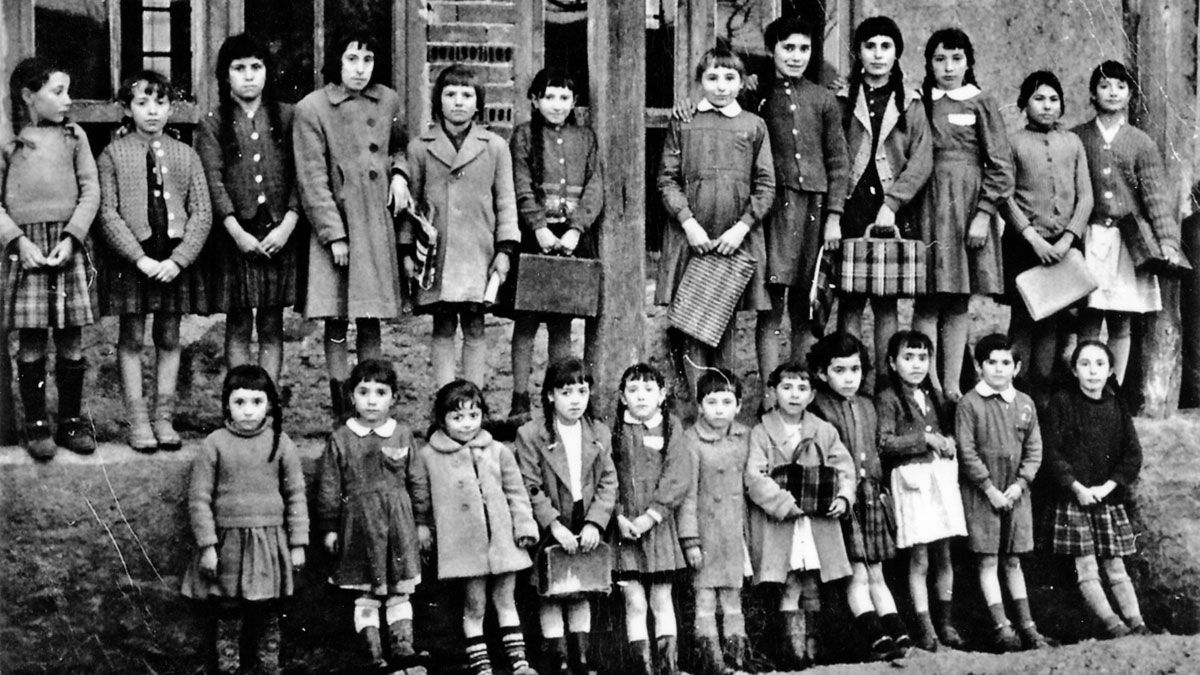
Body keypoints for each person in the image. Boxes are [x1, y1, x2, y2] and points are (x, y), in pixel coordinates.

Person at [294, 31, 411, 420]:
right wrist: (334, 236)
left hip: (375, 222)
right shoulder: (313, 108)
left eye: (367, 60)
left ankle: (371, 402)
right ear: (335, 62)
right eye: (351, 60)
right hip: (339, 227)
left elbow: (399, 146)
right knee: (337, 317)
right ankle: (342, 407)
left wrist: (399, 175)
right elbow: (312, 179)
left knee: (370, 315)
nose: (360, 70)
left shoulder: (389, 100)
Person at [96, 70, 212, 452]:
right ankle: (138, 419)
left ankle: (164, 417)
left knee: (168, 336)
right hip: (135, 259)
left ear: (170, 107)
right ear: (127, 109)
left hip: (172, 257)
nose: (152, 112)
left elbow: (202, 213)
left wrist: (179, 260)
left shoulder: (186, 154)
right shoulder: (113, 154)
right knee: (131, 337)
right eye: (142, 103)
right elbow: (108, 213)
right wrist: (138, 258)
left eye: (160, 103)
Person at [656, 45, 775, 398]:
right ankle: (693, 405)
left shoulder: (754, 125)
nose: (721, 86)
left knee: (724, 322)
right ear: (699, 81)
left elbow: (766, 183)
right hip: (693, 237)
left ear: (742, 83)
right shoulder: (686, 121)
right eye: (712, 78)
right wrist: (688, 223)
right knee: (691, 324)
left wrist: (741, 229)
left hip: (732, 238)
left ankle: (722, 403)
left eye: (729, 78)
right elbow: (666, 179)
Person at [0, 57, 99, 458]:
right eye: (57, 92)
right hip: (27, 250)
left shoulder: (75, 138)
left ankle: (71, 422)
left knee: (72, 337)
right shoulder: (10, 144)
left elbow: (90, 190)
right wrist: (17, 242)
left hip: (66, 246)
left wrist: (73, 237)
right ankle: (36, 423)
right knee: (33, 338)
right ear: (28, 96)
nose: (67, 101)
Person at [181, 365, 307, 674]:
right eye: (239, 402)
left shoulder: (281, 443)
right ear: (227, 404)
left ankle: (268, 666)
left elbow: (296, 496)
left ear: (269, 404)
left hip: (269, 541)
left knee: (268, 608)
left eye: (257, 402)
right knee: (228, 607)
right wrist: (208, 546)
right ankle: (229, 667)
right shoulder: (215, 444)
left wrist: (298, 543)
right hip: (229, 543)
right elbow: (199, 499)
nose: (248, 411)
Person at [912, 28, 1014, 401]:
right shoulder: (921, 101)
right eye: (940, 59)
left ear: (969, 62)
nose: (948, 67)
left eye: (956, 59)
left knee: (956, 298)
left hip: (965, 209)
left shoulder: (980, 101)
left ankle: (952, 386)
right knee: (926, 297)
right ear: (929, 64)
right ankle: (926, 384)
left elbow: (1001, 166)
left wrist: (984, 214)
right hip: (925, 205)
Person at [412, 380, 538, 675]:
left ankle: (519, 662)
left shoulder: (497, 451)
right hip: (464, 546)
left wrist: (523, 525)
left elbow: (516, 492)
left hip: (504, 541)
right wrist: (424, 528)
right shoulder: (429, 457)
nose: (467, 424)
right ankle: (481, 665)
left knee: (506, 599)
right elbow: (421, 498)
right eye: (457, 417)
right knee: (475, 604)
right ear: (441, 419)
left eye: (473, 415)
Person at [196, 34, 301, 387]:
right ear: (226, 76)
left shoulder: (288, 117)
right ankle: (238, 398)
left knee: (271, 324)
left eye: (256, 67)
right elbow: (212, 179)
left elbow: (304, 174)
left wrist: (288, 224)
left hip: (278, 231)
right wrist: (236, 231)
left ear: (268, 73)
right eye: (239, 68)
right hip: (235, 235)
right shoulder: (213, 122)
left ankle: (267, 403)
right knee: (239, 321)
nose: (249, 76)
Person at [404, 64, 519, 388]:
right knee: (442, 325)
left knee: (475, 324)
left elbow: (506, 202)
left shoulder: (494, 146)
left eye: (466, 95)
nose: (458, 102)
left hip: (478, 252)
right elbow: (410, 206)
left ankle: (473, 402)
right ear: (438, 100)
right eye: (450, 94)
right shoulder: (420, 147)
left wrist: (505, 249)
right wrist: (406, 251)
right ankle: (445, 402)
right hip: (436, 255)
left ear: (478, 102)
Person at [1072, 60, 1184, 383]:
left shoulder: (1141, 143)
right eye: (1105, 86)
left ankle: (1114, 388)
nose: (1112, 92)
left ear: (1130, 95)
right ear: (1093, 93)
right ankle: (1085, 384)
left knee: (1121, 320)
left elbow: (1155, 198)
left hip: (1126, 243)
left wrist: (1168, 241)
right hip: (1090, 238)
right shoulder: (1078, 137)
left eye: (1121, 87)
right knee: (1090, 316)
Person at [835, 16, 932, 389]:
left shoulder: (910, 101)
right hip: (851, 206)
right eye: (869, 46)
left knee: (886, 301)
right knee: (850, 299)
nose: (877, 55)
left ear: (896, 53)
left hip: (892, 209)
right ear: (858, 53)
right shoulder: (842, 97)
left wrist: (892, 203)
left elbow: (922, 160)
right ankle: (848, 383)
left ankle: (885, 387)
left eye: (885, 46)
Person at [754, 15, 850, 382]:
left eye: (804, 49)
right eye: (788, 47)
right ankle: (768, 390)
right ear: (772, 50)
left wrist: (834, 217)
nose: (796, 56)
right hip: (774, 211)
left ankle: (800, 385)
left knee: (806, 305)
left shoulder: (823, 99)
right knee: (772, 306)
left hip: (815, 211)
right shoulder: (758, 94)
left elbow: (838, 162)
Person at [503, 68, 603, 421]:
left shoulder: (586, 138)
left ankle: (558, 397)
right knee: (526, 321)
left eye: (564, 98)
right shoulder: (524, 137)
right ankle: (519, 400)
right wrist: (539, 228)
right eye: (549, 97)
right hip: (536, 237)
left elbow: (595, 187)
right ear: (534, 100)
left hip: (572, 239)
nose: (557, 105)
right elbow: (521, 185)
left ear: (574, 102)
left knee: (562, 323)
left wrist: (576, 230)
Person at [315, 359, 425, 671]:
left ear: (394, 397)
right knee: (365, 590)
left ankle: (404, 648)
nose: (372, 399)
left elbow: (417, 480)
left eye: (381, 392)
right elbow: (329, 485)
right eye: (364, 392)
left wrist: (421, 522)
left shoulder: (402, 435)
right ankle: (373, 654)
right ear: (352, 397)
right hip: (358, 523)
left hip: (397, 525)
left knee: (398, 588)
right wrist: (329, 527)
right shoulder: (341, 438)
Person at [745, 361, 854, 668]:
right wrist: (783, 503)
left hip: (817, 519)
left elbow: (844, 468)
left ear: (812, 394)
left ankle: (814, 648)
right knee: (790, 579)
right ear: (773, 391)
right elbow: (754, 475)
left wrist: (844, 497)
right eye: (786, 387)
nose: (794, 395)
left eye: (802, 389)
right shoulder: (761, 431)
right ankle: (792, 652)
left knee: (813, 581)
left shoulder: (823, 430)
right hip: (784, 519)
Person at [808, 333, 911, 660]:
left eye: (855, 369)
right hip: (845, 498)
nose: (849, 377)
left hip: (872, 496)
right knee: (858, 571)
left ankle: (898, 634)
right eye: (839, 370)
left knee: (877, 570)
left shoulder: (868, 404)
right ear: (823, 374)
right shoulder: (818, 408)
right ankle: (875, 636)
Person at [513, 357, 617, 675]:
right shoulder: (531, 434)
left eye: (582, 392)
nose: (575, 400)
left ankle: (581, 657)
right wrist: (553, 524)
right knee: (551, 591)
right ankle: (556, 659)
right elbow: (529, 484)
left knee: (580, 589)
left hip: (584, 521)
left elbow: (608, 482)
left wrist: (594, 523)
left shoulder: (598, 432)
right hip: (551, 523)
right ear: (550, 396)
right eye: (566, 392)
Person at [1042, 340, 1148, 637]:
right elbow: (1052, 453)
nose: (1092, 371)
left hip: (1106, 499)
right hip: (1075, 500)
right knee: (1086, 567)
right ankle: (1112, 624)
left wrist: (1109, 486)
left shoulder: (1116, 405)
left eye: (1100, 364)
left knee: (1116, 567)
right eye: (1085, 364)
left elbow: (1132, 454)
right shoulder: (1062, 403)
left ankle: (1137, 622)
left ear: (1111, 370)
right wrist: (1076, 487)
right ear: (1074, 370)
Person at [956, 334, 1050, 651]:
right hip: (983, 495)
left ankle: (1029, 627)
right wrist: (989, 488)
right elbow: (966, 451)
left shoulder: (1025, 403)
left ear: (1017, 367)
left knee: (1013, 561)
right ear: (979, 366)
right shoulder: (969, 404)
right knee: (987, 561)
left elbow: (1034, 451)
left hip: (1015, 493)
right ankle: (1002, 627)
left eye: (1005, 363)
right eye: (991, 363)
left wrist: (1019, 485)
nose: (998, 369)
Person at [1001, 71, 1092, 393]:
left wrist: (1068, 238)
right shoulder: (1012, 142)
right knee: (1025, 317)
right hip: (1025, 243)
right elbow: (1004, 195)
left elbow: (1086, 196)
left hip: (1064, 244)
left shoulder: (1072, 142)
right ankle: (1015, 387)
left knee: (1054, 319)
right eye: (1039, 98)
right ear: (1024, 104)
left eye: (1054, 99)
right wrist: (1032, 238)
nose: (1047, 106)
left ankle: (1044, 389)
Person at [876, 330, 968, 650]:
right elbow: (885, 442)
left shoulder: (933, 396)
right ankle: (924, 626)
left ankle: (946, 622)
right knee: (920, 559)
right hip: (912, 482)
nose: (916, 365)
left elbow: (945, 433)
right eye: (908, 358)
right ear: (892, 362)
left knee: (944, 554)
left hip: (938, 479)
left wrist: (948, 443)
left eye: (923, 358)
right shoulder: (888, 399)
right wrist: (925, 440)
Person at [610, 363, 691, 674]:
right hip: (624, 530)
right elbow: (607, 476)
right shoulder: (615, 430)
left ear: (662, 394)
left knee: (660, 598)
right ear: (622, 396)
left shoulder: (670, 427)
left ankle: (669, 666)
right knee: (634, 601)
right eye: (633, 390)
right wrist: (618, 515)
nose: (641, 396)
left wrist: (652, 515)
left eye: (648, 389)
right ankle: (642, 667)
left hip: (657, 529)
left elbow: (677, 476)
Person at [677, 368, 752, 675]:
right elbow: (687, 495)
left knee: (733, 598)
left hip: (735, 533)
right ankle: (712, 664)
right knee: (706, 598)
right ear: (699, 406)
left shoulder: (744, 437)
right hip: (707, 534)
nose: (719, 409)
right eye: (711, 402)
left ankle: (737, 660)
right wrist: (690, 540)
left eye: (726, 401)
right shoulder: (691, 442)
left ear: (738, 405)